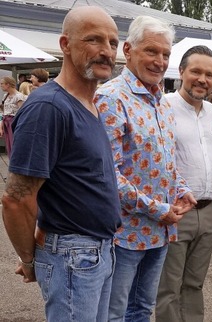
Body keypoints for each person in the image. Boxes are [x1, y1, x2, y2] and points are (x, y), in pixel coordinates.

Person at [1, 6, 121, 321]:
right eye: (94, 40)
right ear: (65, 45)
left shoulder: (87, 104)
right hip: (74, 256)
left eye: (112, 42)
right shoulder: (49, 107)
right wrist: (30, 260)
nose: (106, 51)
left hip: (97, 252)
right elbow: (16, 199)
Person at [94, 15, 197, 321]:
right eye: (152, 51)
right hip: (124, 232)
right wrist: (156, 208)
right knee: (114, 313)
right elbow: (108, 175)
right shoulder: (111, 98)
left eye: (166, 54)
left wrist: (182, 190)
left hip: (160, 230)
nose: (160, 61)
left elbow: (165, 161)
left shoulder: (161, 102)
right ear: (129, 50)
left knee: (141, 309)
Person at [155, 45, 212, 322]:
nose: (202, 79)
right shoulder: (163, 105)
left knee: (194, 283)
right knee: (168, 287)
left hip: (209, 210)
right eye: (196, 71)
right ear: (181, 71)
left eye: (209, 74)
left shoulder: (211, 112)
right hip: (177, 210)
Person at [0, 76, 28, 157]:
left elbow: (22, 112)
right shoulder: (5, 96)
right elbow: (3, 111)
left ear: (8, 84)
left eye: (2, 84)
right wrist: (1, 126)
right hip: (6, 122)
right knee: (9, 145)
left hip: (14, 122)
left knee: (15, 144)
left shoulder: (19, 96)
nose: (1, 85)